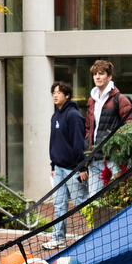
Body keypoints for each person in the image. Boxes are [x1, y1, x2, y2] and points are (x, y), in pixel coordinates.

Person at [83, 60, 132, 196]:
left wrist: (118, 149)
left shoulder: (120, 99)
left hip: (112, 159)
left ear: (109, 76)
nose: (97, 77)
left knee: (112, 198)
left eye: (101, 74)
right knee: (93, 200)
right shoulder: (91, 100)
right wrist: (87, 147)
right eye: (95, 74)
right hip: (94, 157)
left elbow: (129, 127)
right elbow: (88, 128)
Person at [46, 80, 86, 250]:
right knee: (59, 204)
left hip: (73, 169)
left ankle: (99, 232)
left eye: (59, 92)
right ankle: (58, 238)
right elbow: (53, 143)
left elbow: (78, 143)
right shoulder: (55, 116)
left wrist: (82, 167)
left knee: (82, 203)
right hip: (59, 169)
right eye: (53, 92)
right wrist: (53, 166)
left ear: (67, 95)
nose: (55, 95)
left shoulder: (73, 115)